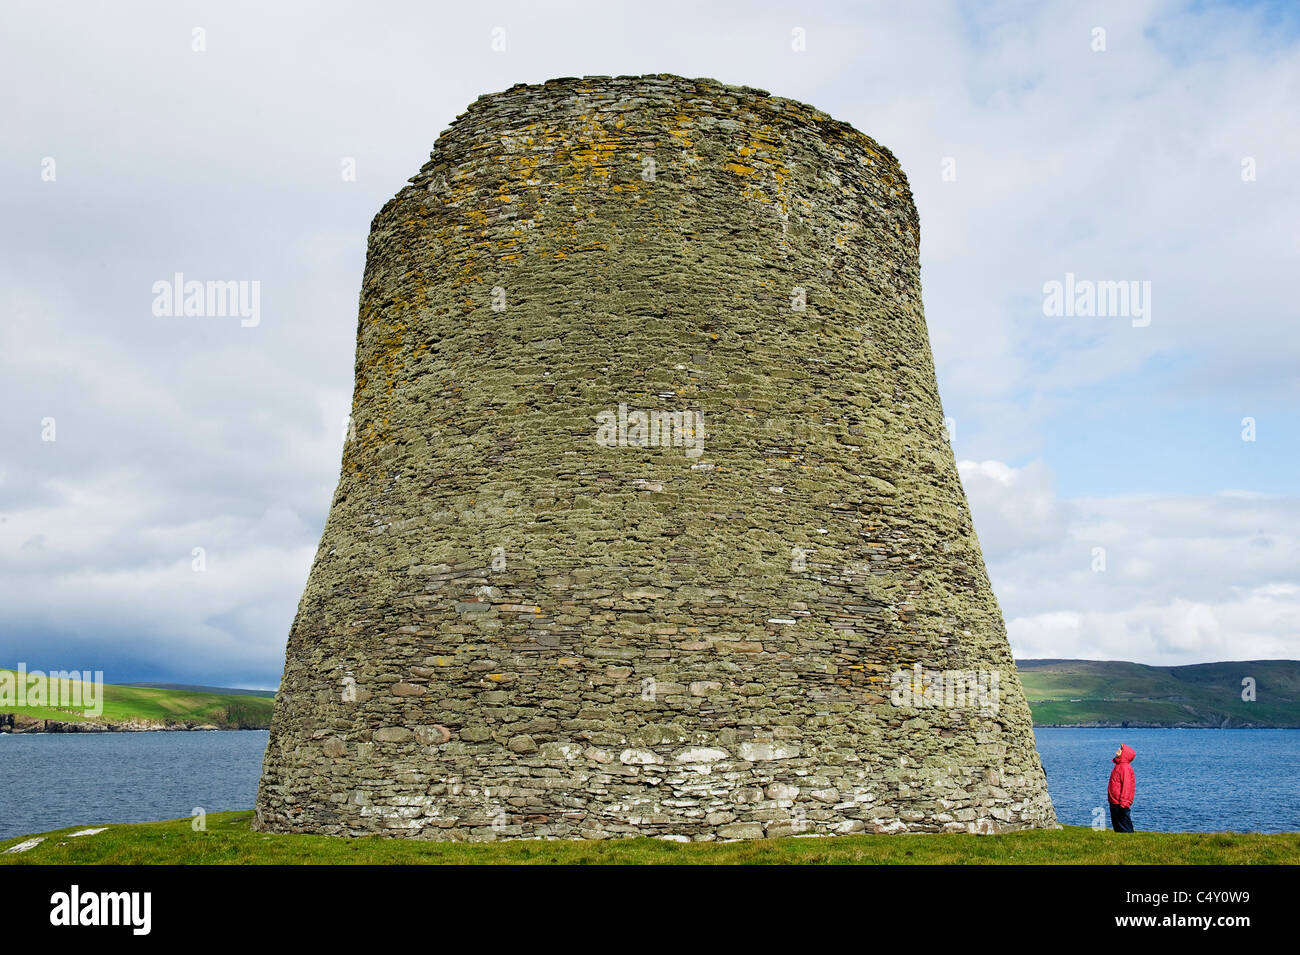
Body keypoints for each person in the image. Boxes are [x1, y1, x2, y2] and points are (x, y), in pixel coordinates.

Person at [1107, 743, 1136, 832]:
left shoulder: (1124, 767)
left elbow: (1127, 786)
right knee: (1117, 824)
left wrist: (1124, 802)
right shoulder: (1119, 766)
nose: (1118, 749)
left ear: (1125, 754)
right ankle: (1121, 841)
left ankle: (1129, 841)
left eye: (1121, 749)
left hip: (1120, 803)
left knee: (1124, 824)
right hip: (1115, 801)